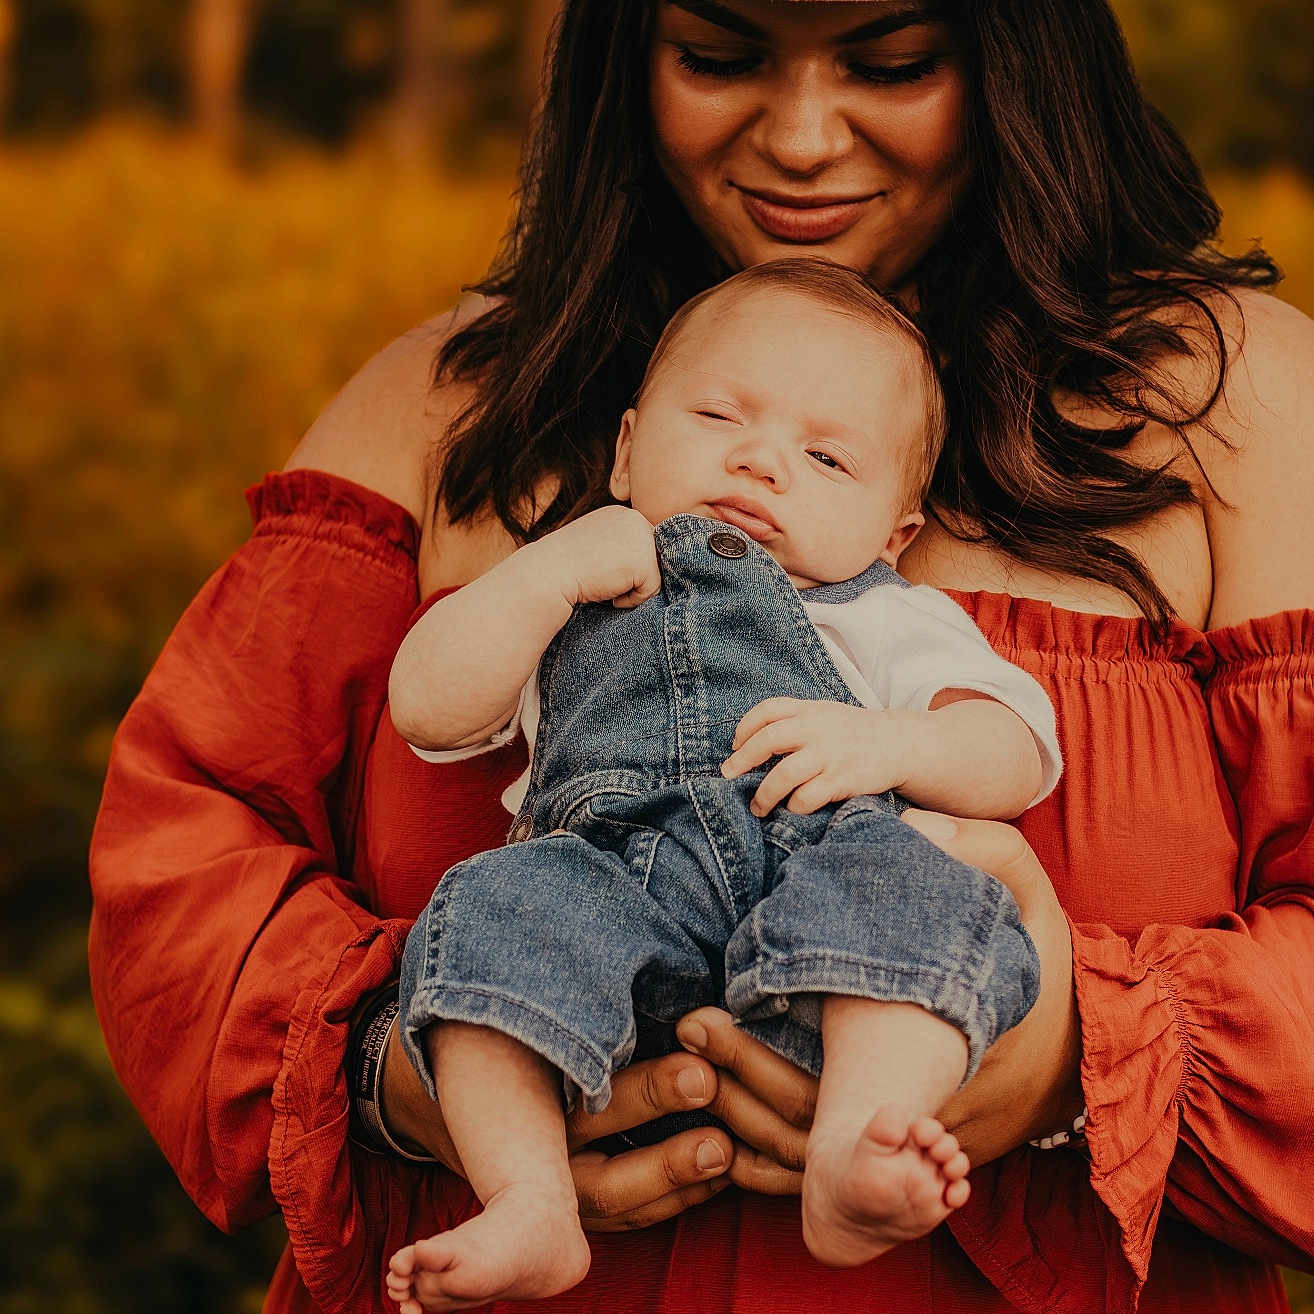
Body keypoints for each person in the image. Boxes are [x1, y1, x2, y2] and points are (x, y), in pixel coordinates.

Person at [88, 1, 1314, 1312]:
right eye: (718, 58)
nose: (801, 138)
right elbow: (185, 855)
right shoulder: (445, 405)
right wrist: (409, 1068)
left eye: (892, 63)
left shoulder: (1237, 399)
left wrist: (1081, 1052)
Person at [384, 261, 1060, 1309]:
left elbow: (1014, 750)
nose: (761, 459)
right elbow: (428, 706)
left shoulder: (882, 614)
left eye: (826, 457)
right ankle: (528, 1198)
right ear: (625, 451)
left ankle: (856, 1139)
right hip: (600, 893)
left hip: (814, 882)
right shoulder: (573, 586)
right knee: (484, 912)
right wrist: (547, 572)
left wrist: (892, 744)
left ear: (894, 533)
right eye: (717, 416)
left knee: (923, 893)